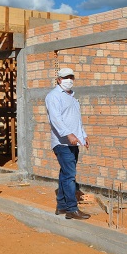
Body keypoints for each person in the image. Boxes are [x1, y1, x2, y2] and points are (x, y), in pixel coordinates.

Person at [45, 67, 91, 220]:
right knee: (70, 175)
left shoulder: (72, 97)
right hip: (62, 143)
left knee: (65, 174)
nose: (69, 80)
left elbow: (76, 119)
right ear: (58, 80)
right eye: (65, 77)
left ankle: (62, 206)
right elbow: (56, 119)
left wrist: (83, 135)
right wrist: (68, 134)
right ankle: (72, 208)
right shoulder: (53, 96)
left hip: (73, 142)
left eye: (71, 77)